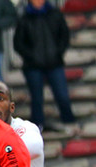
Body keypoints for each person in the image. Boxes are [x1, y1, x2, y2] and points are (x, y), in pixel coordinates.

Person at [13, 0, 77, 133]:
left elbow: (64, 35)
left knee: (62, 95)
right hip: (32, 66)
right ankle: (37, 127)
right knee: (36, 98)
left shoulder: (55, 14)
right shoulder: (24, 17)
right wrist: (31, 56)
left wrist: (57, 52)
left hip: (54, 63)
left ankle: (69, 122)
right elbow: (18, 43)